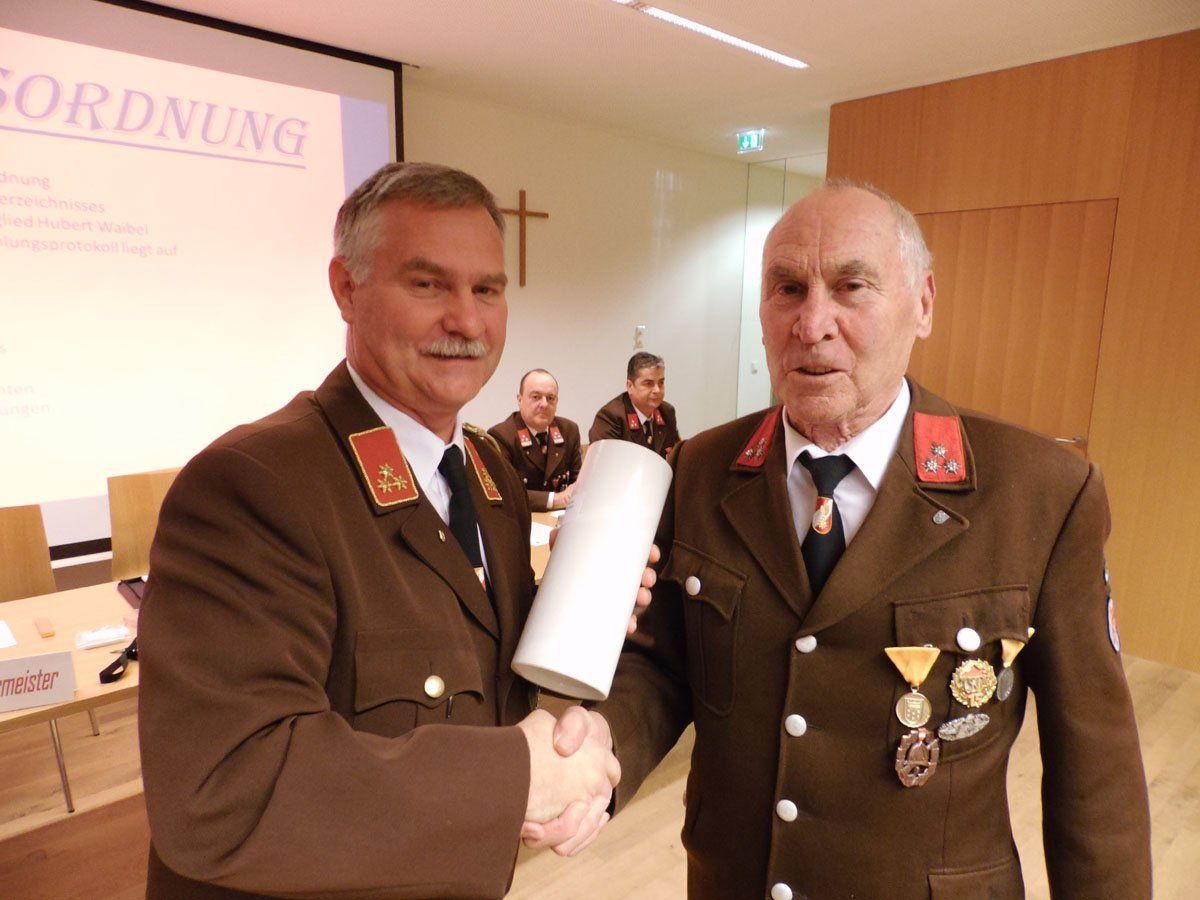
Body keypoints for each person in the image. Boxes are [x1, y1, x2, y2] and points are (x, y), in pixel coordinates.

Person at [581, 181, 1152, 898]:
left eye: (852, 287)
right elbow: (663, 667)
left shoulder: (1039, 491)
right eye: (788, 289)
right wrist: (602, 752)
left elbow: (1095, 769)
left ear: (923, 304)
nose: (812, 324)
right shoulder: (701, 470)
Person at [137, 162, 651, 899]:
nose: (467, 322)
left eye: (487, 290)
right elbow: (224, 793)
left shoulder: (487, 470)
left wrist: (573, 601)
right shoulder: (254, 484)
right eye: (428, 284)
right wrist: (517, 779)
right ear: (346, 289)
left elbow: (462, 649)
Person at [488, 369, 582, 511]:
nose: (544, 404)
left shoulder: (569, 430)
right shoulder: (500, 436)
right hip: (524, 520)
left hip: (562, 517)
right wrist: (555, 499)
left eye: (550, 398)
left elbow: (580, 482)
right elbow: (504, 492)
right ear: (520, 400)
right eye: (536, 397)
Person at [588, 351, 679, 457]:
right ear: (630, 386)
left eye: (661, 383)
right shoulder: (609, 417)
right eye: (648, 383)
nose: (657, 390)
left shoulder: (667, 412)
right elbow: (606, 463)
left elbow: (675, 455)